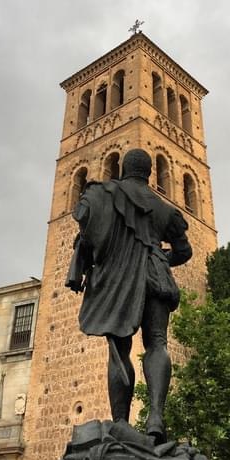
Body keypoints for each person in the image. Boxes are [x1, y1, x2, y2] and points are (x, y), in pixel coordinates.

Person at [66, 148, 192, 444]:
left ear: (123, 168)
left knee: (119, 350)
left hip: (117, 279)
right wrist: (161, 258)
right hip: (155, 276)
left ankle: (121, 421)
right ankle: (156, 417)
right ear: (149, 172)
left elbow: (84, 227)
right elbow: (185, 251)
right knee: (157, 343)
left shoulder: (103, 194)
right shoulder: (163, 209)